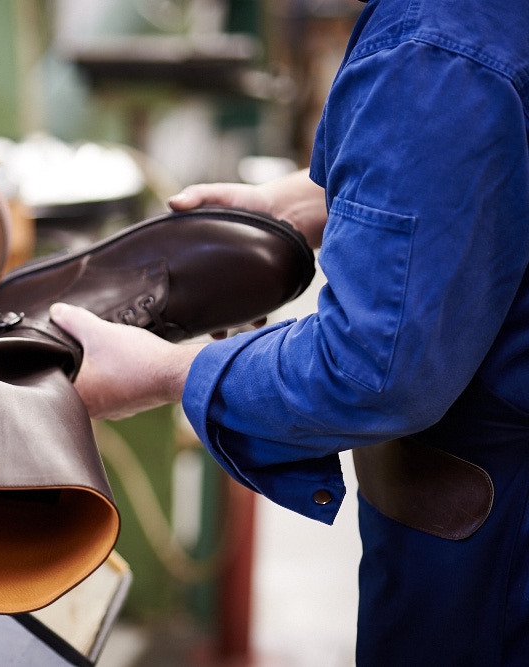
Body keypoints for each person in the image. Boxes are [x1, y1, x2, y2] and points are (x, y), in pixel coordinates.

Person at [48, 0, 529, 663]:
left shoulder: (433, 42)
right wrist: (316, 199)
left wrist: (168, 371)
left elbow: (368, 367)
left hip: (495, 559)